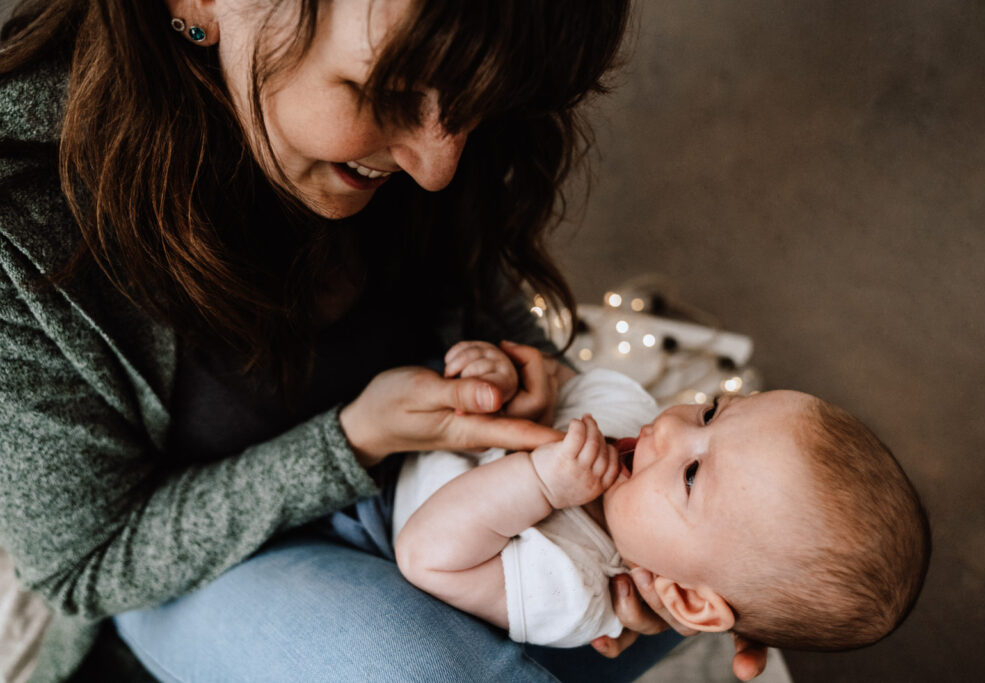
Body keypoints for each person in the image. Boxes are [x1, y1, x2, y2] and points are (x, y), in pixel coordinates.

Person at [0, 0, 770, 680]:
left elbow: (486, 294)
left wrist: (537, 374)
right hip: (207, 561)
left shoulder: (444, 96)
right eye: (388, 95)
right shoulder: (22, 218)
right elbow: (87, 559)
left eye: (475, 106)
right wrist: (352, 440)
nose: (438, 167)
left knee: (752, 532)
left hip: (451, 487)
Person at [395, 341, 931, 652]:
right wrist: (508, 380)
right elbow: (556, 380)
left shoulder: (570, 589)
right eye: (713, 412)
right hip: (414, 420)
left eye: (692, 475)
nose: (667, 430)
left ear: (690, 600)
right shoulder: (629, 415)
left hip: (372, 518)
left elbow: (425, 556)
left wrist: (541, 484)